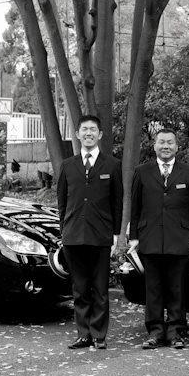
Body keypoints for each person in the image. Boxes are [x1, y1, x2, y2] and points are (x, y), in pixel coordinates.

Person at [129, 128, 189, 350]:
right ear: (155, 146)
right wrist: (134, 238)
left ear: (177, 146)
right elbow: (135, 207)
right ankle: (155, 332)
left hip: (179, 239)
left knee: (177, 288)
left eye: (170, 142)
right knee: (153, 289)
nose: (166, 146)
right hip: (149, 238)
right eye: (162, 142)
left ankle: (175, 332)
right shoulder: (142, 172)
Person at [57, 115, 122, 350]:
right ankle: (83, 334)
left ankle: (99, 335)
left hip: (101, 235)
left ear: (100, 134)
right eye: (84, 129)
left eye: (93, 129)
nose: (88, 133)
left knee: (100, 288)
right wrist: (64, 230)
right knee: (80, 289)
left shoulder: (112, 165)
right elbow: (62, 202)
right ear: (77, 134)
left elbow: (117, 202)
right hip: (73, 235)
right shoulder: (67, 165)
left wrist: (116, 234)